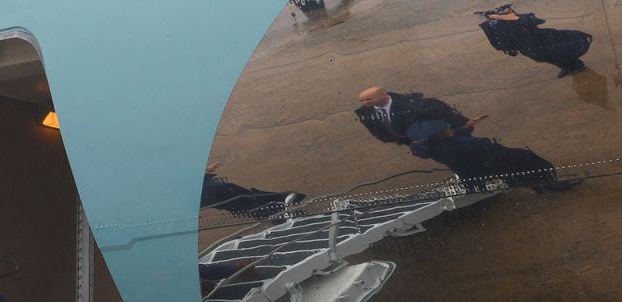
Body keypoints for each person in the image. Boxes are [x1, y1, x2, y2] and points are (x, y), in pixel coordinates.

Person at [355, 87, 562, 190]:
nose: (365, 103)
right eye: (363, 100)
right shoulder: (367, 113)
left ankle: (543, 180)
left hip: (450, 139)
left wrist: (464, 125)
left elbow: (444, 113)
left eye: (369, 99)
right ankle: (479, 186)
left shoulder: (415, 105)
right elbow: (379, 129)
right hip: (430, 148)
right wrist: (400, 141)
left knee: (498, 155)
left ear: (383, 94)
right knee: (464, 166)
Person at [479, 5, 592, 78]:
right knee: (547, 58)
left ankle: (577, 65)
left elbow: (534, 20)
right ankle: (567, 67)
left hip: (543, 41)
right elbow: (497, 37)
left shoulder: (525, 17)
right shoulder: (499, 25)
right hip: (529, 49)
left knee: (559, 53)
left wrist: (500, 17)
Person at [201, 161, 305, 220]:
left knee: (243, 200)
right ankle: (280, 207)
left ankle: (280, 207)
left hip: (211, 192)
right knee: (242, 201)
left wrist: (204, 171)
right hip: (210, 193)